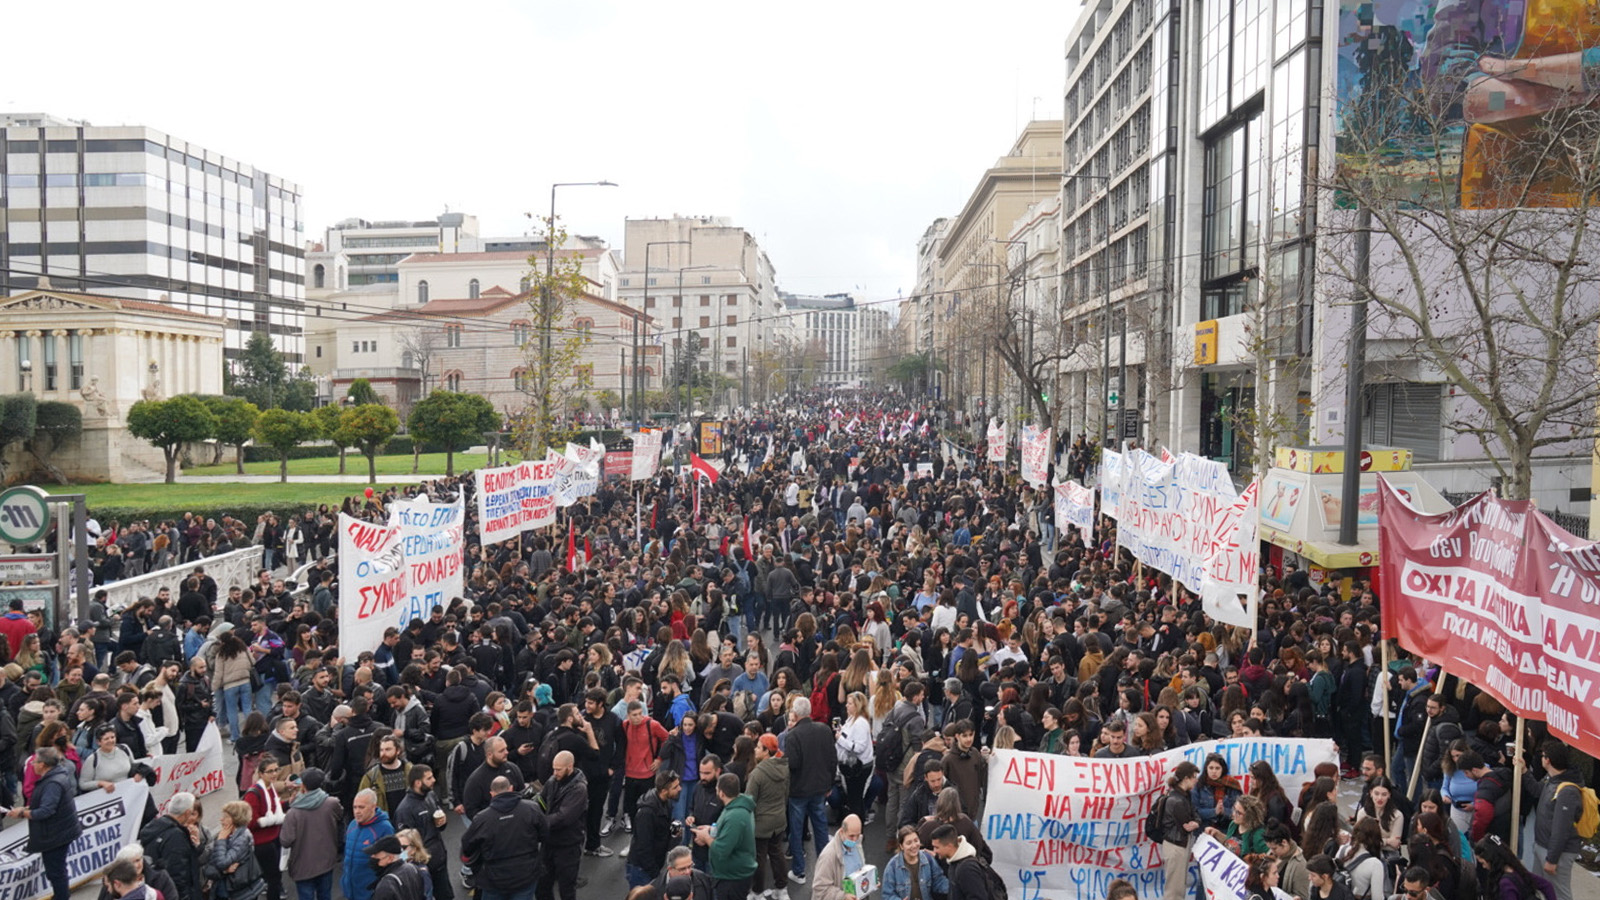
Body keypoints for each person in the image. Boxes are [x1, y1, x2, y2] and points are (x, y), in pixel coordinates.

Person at [8, 746, 83, 900]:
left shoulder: (52, 783)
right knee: (57, 870)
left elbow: (46, 811)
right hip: (58, 832)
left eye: (35, 762)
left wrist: (22, 813)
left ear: (42, 765)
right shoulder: (56, 777)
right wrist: (27, 808)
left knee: (56, 872)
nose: (33, 764)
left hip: (55, 835)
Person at [461, 775, 547, 900]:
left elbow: (467, 846)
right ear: (511, 788)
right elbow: (545, 834)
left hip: (494, 880)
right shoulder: (532, 808)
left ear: (492, 793)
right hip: (526, 875)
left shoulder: (482, 819)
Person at [784, 696, 836, 883]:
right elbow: (832, 759)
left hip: (798, 791)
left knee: (796, 832)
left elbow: (793, 764)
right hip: (820, 788)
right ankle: (825, 871)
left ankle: (799, 871)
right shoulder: (824, 730)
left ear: (795, 714)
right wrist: (829, 784)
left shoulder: (793, 735)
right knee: (821, 828)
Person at [692, 772, 757, 900]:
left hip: (732, 878)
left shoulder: (735, 816)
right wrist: (711, 829)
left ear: (721, 793)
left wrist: (706, 837)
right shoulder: (736, 807)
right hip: (732, 875)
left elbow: (722, 850)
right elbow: (733, 834)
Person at [281, 768, 343, 900]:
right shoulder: (332, 803)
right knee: (325, 895)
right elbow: (340, 817)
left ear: (303, 785)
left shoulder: (293, 813)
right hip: (326, 861)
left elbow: (286, 840)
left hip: (303, 866)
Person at [1532, 739, 1583, 900]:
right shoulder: (1551, 778)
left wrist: (1552, 859)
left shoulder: (1567, 791)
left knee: (1559, 894)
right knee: (1540, 890)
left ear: (1547, 760)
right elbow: (1536, 790)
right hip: (1543, 845)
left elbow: (1561, 830)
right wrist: (1525, 771)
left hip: (1556, 853)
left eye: (1543, 756)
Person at [393, 765, 452, 900]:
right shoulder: (404, 810)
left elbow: (439, 822)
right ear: (418, 783)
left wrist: (443, 822)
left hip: (439, 859)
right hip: (422, 866)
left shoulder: (431, 795)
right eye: (429, 778)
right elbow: (404, 845)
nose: (434, 780)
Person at [537, 750, 588, 900]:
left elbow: (564, 818)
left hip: (568, 846)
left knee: (566, 889)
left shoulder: (579, 789)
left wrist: (539, 822)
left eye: (558, 769)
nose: (554, 772)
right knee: (542, 886)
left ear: (570, 766)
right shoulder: (553, 781)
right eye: (554, 768)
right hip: (549, 843)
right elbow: (541, 801)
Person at [747, 733, 791, 900]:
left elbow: (750, 800)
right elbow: (786, 794)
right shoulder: (784, 767)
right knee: (777, 853)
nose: (755, 750)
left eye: (758, 747)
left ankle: (757, 892)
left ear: (766, 751)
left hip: (761, 823)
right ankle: (782, 889)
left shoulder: (757, 773)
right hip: (779, 819)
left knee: (759, 858)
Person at [140, 791, 205, 900]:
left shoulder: (153, 827)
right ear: (187, 812)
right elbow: (178, 874)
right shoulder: (176, 836)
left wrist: (197, 847)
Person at [626, 771, 682, 889]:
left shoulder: (665, 802)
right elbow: (643, 847)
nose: (680, 788)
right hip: (642, 870)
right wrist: (655, 874)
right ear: (664, 791)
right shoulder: (647, 813)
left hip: (652, 865)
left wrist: (674, 834)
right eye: (675, 787)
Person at [243, 758, 288, 900]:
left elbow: (274, 807)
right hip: (262, 843)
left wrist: (288, 803)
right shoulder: (253, 793)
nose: (274, 774)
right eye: (270, 771)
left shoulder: (270, 788)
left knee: (274, 876)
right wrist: (270, 821)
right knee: (272, 878)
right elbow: (250, 822)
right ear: (261, 774)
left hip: (274, 838)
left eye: (276, 770)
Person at [1158, 761, 1202, 900]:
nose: (1196, 780)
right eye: (1194, 776)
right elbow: (1187, 822)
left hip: (1179, 843)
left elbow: (1194, 814)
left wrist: (1196, 822)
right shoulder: (1177, 800)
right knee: (1175, 889)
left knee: (1178, 885)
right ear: (1186, 778)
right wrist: (1195, 822)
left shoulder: (1183, 795)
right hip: (1177, 845)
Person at [342, 790, 396, 900]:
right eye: (355, 807)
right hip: (351, 892)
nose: (357, 811)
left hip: (371, 894)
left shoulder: (385, 828)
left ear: (373, 807)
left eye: (361, 807)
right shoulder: (352, 825)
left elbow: (393, 862)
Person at [211, 801, 267, 900]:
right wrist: (224, 870)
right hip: (229, 889)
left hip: (240, 892)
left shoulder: (242, 838)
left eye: (226, 816)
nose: (221, 819)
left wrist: (221, 841)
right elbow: (210, 866)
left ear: (236, 819)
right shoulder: (227, 835)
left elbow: (221, 862)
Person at [1475, 835, 1557, 900]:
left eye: (1483, 862)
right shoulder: (1518, 871)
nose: (1483, 866)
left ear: (1492, 859)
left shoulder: (1505, 884)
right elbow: (1547, 885)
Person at [883, 826, 949, 900]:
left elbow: (938, 881)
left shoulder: (928, 859)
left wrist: (956, 888)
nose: (914, 845)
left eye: (916, 840)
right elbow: (887, 895)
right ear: (901, 846)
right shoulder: (892, 866)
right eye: (909, 843)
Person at [810, 813, 866, 900]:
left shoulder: (857, 843)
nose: (855, 840)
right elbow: (820, 889)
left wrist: (869, 880)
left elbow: (860, 868)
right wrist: (843, 896)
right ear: (841, 832)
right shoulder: (828, 856)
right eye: (851, 836)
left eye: (858, 835)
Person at [929, 823, 991, 900]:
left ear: (949, 846)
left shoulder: (967, 869)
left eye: (937, 847)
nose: (934, 851)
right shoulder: (954, 862)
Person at [366, 835, 428, 900]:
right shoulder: (413, 868)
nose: (372, 857)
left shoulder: (386, 884)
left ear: (390, 858)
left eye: (376, 855)